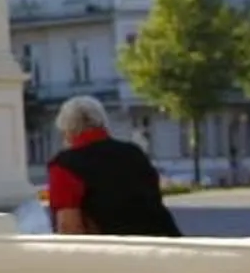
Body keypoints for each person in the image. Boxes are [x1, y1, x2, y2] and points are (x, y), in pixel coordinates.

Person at [43, 100, 179, 236]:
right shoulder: (133, 153)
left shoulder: (65, 165)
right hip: (164, 242)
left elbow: (69, 226)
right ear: (102, 123)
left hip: (115, 249)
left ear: (67, 131)